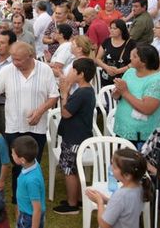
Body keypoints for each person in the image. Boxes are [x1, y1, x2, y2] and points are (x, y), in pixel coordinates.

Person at [0, 42, 59, 205]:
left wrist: (40, 111)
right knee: (16, 165)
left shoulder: (45, 70)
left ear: (30, 56)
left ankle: (33, 199)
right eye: (12, 59)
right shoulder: (7, 71)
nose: (14, 63)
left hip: (37, 128)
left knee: (32, 165)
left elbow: (53, 96)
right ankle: (18, 199)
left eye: (18, 60)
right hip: (14, 127)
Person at [53, 58, 97, 215]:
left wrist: (64, 93)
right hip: (78, 136)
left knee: (69, 170)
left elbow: (65, 113)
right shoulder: (85, 90)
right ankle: (77, 199)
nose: (70, 72)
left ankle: (72, 206)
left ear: (81, 74)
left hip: (75, 138)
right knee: (74, 169)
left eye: (73, 70)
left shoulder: (82, 93)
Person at [113, 44, 160, 148]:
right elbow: (118, 96)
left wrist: (125, 92)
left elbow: (147, 109)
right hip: (122, 128)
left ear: (144, 62)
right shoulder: (130, 72)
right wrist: (117, 92)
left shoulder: (157, 81)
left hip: (140, 136)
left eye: (134, 57)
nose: (130, 58)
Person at [85, 148, 152, 228]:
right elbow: (124, 208)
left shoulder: (120, 195)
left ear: (127, 175)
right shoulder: (140, 187)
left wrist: (100, 202)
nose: (111, 167)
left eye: (114, 167)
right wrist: (106, 200)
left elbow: (104, 225)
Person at [11, 136, 45, 228]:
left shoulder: (31, 181)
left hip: (29, 218)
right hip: (26, 213)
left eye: (13, 154)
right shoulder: (34, 163)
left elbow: (37, 209)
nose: (11, 155)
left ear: (22, 160)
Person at [96, 19, 136, 87]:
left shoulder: (131, 43)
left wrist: (119, 71)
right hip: (107, 77)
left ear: (121, 30)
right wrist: (107, 68)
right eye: (110, 28)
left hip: (124, 78)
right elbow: (97, 59)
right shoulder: (107, 41)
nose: (111, 30)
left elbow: (134, 62)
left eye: (114, 28)